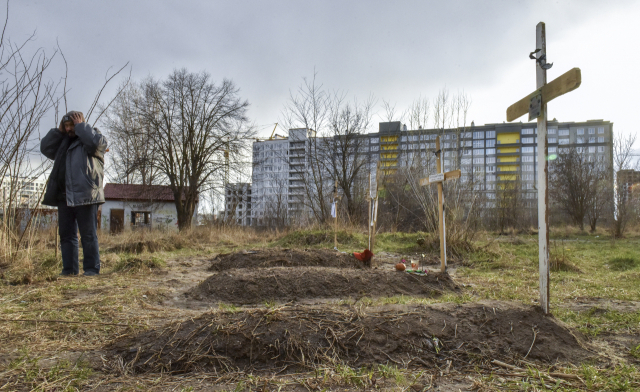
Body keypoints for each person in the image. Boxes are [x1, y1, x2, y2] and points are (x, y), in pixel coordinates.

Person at [41, 111, 107, 276]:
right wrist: (59, 131)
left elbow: (96, 145)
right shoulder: (63, 143)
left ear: (81, 123)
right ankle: (69, 270)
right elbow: (45, 148)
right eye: (67, 126)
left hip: (86, 195)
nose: (70, 129)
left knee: (88, 235)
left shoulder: (93, 137)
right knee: (66, 235)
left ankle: (92, 269)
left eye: (72, 125)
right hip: (64, 197)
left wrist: (81, 127)